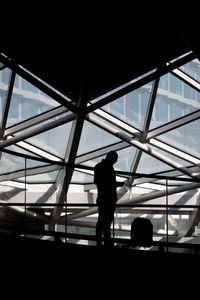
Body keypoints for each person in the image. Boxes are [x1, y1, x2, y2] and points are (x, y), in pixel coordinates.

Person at [94, 151, 124, 247]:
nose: (115, 162)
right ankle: (107, 242)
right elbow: (109, 183)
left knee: (102, 221)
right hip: (108, 199)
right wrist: (118, 184)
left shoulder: (99, 166)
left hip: (103, 199)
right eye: (115, 160)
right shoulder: (109, 168)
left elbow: (99, 182)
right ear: (111, 158)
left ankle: (102, 242)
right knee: (106, 223)